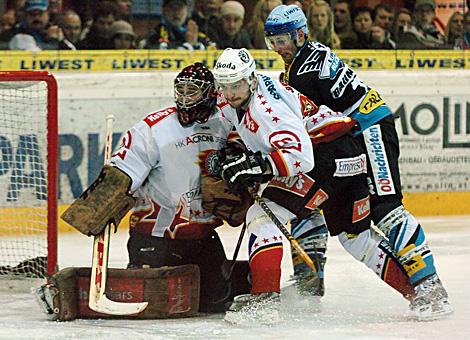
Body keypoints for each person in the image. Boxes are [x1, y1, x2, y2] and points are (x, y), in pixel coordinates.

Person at [264, 4, 453, 320]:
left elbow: (304, 122)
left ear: (299, 34)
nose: (278, 48)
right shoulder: (305, 58)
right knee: (329, 212)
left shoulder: (301, 72)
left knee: (386, 208)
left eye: (282, 40)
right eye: (272, 42)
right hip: (350, 138)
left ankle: (429, 284)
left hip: (370, 130)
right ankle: (314, 278)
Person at [213, 48, 373, 323]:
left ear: (251, 79)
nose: (229, 93)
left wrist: (257, 166)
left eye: (236, 85)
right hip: (334, 150)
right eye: (224, 85)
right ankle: (422, 290)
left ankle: (265, 302)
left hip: (328, 153)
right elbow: (245, 131)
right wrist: (235, 151)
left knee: (262, 216)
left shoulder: (266, 109)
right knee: (356, 238)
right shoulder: (239, 96)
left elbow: (300, 156)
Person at [108, 63, 250, 312]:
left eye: (192, 91)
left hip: (202, 238)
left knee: (215, 305)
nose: (184, 98)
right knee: (155, 306)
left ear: (209, 93)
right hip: (155, 239)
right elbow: (121, 175)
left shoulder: (228, 121)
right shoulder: (153, 129)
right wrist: (105, 198)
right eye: (180, 90)